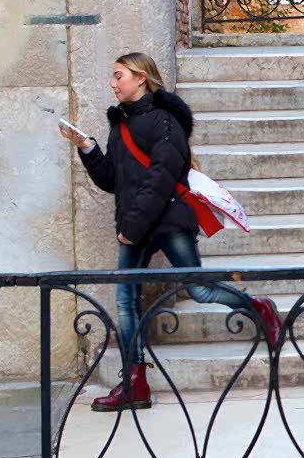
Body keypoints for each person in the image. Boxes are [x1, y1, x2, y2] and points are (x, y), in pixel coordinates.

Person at [59, 52, 283, 412]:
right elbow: (114, 181)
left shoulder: (166, 121)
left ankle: (258, 307)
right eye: (113, 77)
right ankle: (135, 383)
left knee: (199, 288)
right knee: (126, 301)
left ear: (141, 78)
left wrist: (130, 230)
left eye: (119, 76)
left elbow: (161, 179)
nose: (112, 83)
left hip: (168, 220)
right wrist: (88, 149)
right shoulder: (121, 125)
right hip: (135, 223)